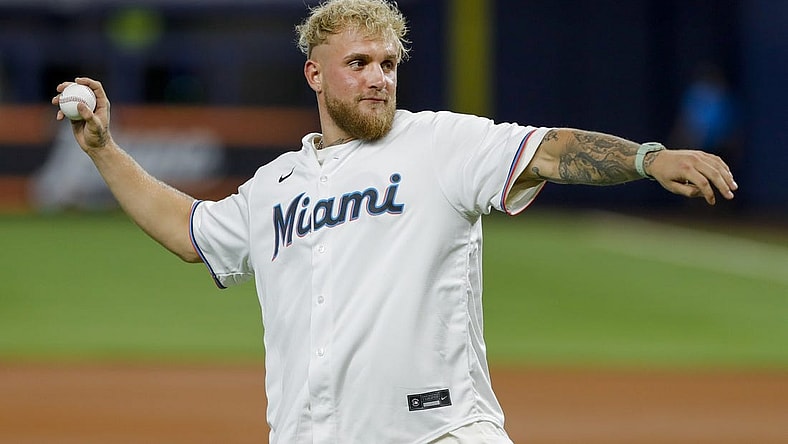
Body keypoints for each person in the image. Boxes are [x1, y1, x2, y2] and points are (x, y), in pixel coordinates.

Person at [52, 0, 737, 442]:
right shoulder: (274, 188)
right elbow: (191, 231)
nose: (379, 77)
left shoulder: (441, 144)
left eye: (388, 63)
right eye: (358, 64)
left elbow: (552, 149)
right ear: (314, 76)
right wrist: (105, 152)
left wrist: (647, 159)